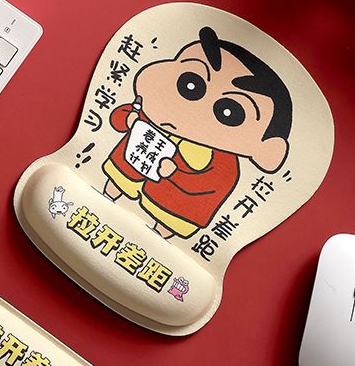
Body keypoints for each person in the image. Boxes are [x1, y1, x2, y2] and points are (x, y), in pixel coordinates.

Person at [102, 26, 292, 239]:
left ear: (268, 149)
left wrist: (176, 174)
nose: (195, 110)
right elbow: (120, 118)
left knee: (164, 226)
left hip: (175, 206)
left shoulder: (224, 165)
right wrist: (128, 119)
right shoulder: (159, 114)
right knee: (115, 183)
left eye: (229, 113)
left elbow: (212, 185)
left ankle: (159, 235)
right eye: (190, 84)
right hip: (125, 171)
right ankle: (108, 195)